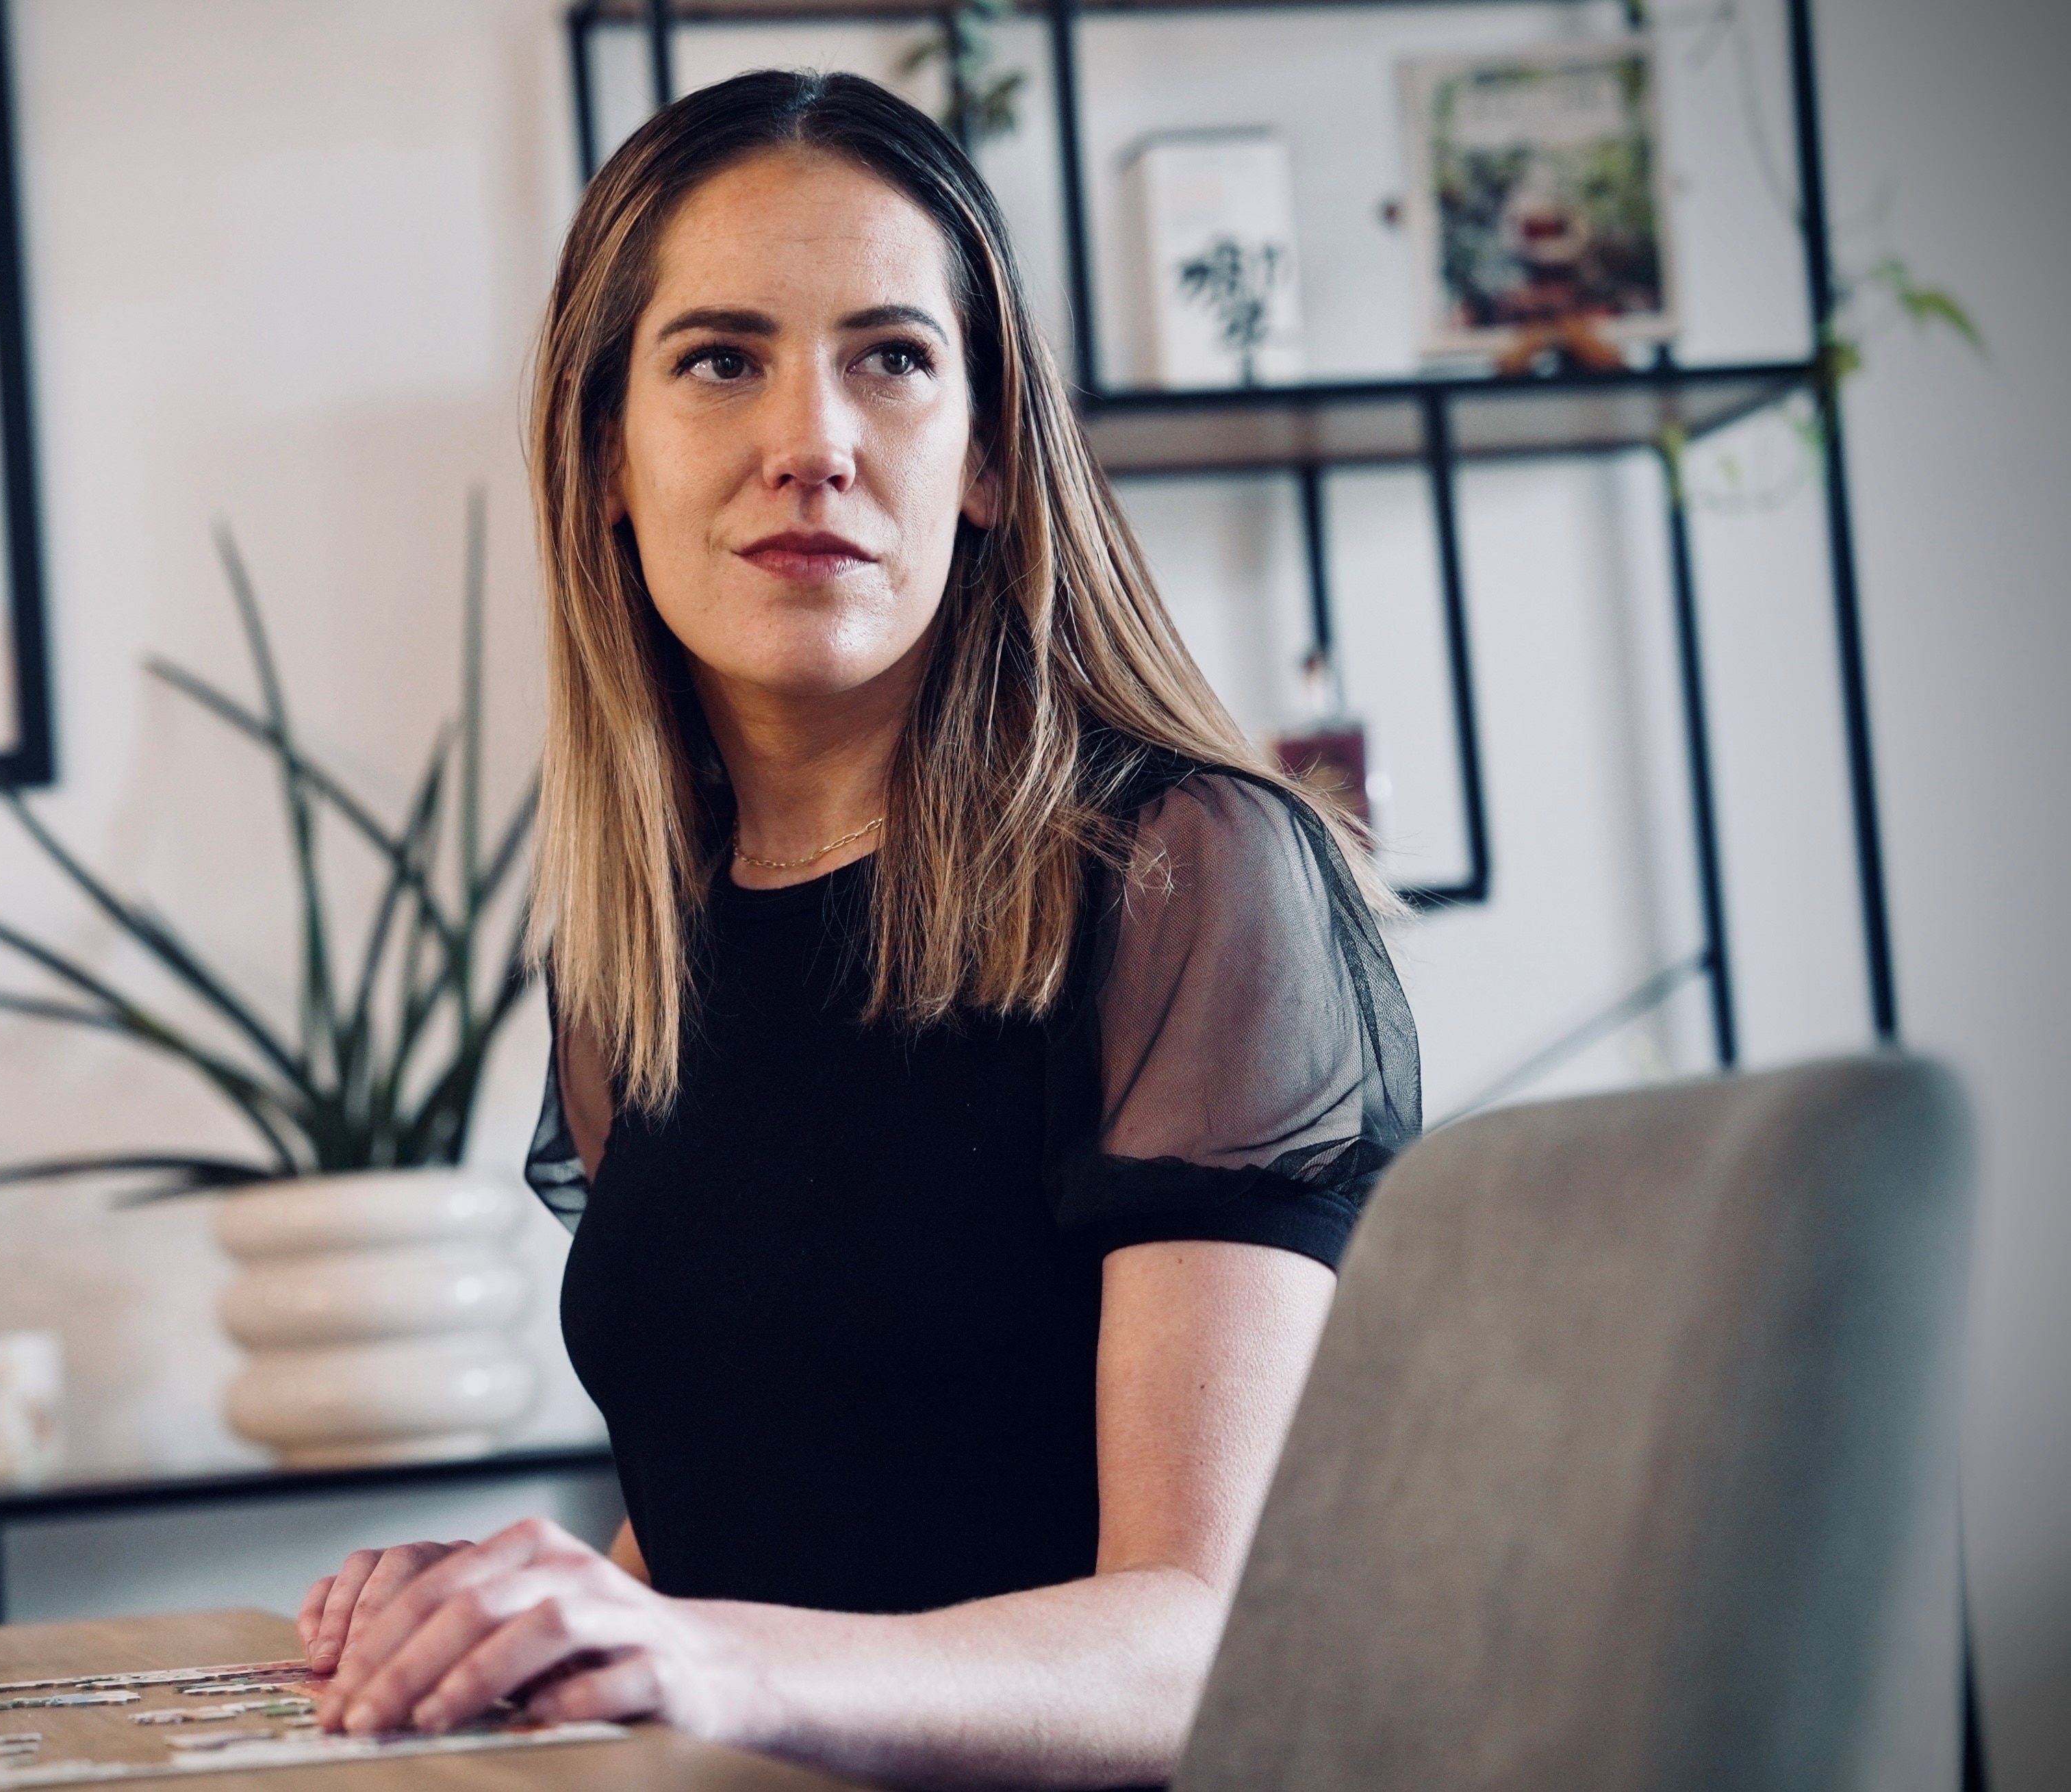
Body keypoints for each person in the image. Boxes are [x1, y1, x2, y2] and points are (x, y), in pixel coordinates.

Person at [296, 69, 1418, 1790]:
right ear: (607, 454)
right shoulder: (634, 956)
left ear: (983, 458)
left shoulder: (1185, 873)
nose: (810, 437)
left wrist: (695, 1652)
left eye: (892, 357)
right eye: (720, 358)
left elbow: (1207, 1632)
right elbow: (760, 1555)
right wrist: (535, 1626)